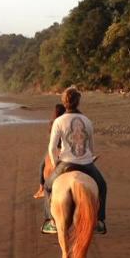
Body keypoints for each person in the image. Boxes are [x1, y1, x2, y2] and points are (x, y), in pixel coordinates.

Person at [42, 86, 107, 234]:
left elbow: (52, 148)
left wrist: (55, 163)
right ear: (78, 102)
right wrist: (87, 158)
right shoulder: (87, 121)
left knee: (47, 186)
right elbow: (91, 147)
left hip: (66, 164)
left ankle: (51, 221)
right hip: (86, 164)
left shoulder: (58, 121)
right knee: (102, 185)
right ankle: (99, 220)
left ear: (64, 102)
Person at [33, 103, 65, 199]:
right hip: (65, 148)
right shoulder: (65, 122)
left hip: (55, 148)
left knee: (42, 166)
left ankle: (41, 188)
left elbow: (52, 140)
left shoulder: (53, 123)